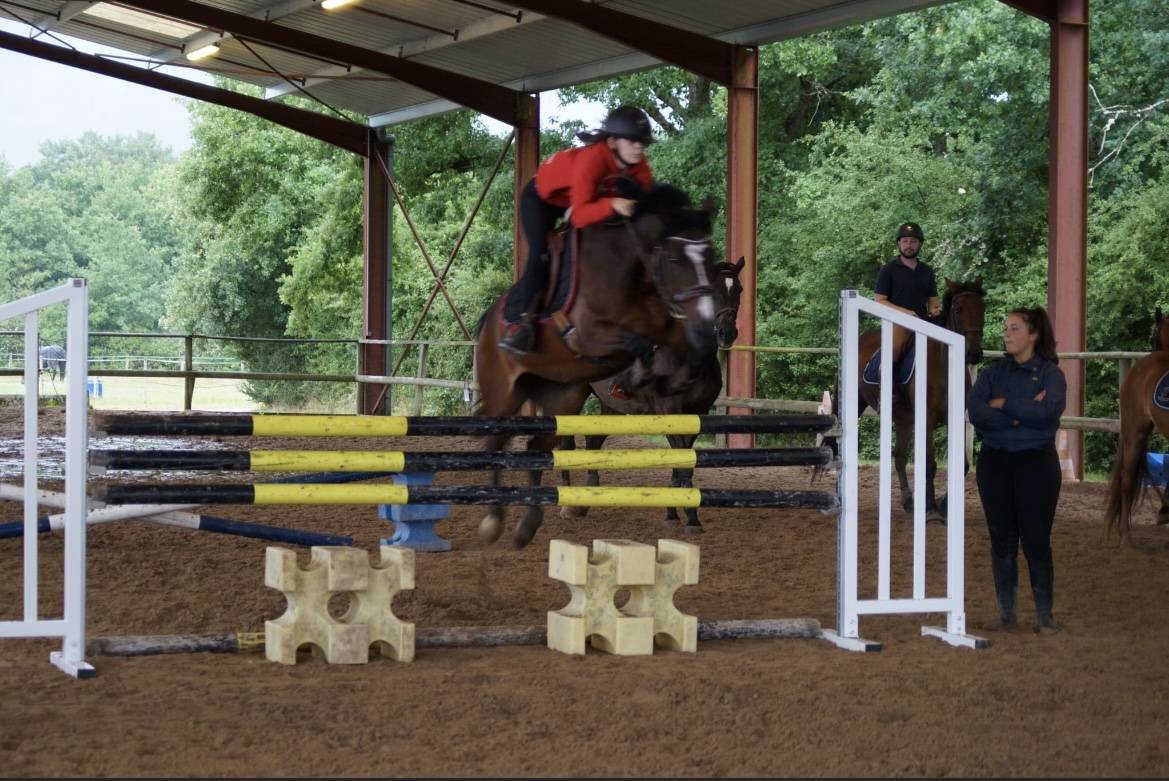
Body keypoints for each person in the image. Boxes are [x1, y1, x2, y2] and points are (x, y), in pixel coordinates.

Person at [497, 105, 655, 362]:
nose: (639, 147)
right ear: (613, 142)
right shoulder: (592, 159)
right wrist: (613, 205)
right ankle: (521, 324)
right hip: (542, 200)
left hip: (580, 201)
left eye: (643, 143)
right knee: (541, 255)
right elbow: (581, 216)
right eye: (634, 142)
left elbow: (649, 202)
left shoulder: (638, 165)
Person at [967, 306, 1066, 634]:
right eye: (1006, 328)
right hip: (995, 463)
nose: (1007, 334)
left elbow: (1048, 415)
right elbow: (977, 412)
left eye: (1014, 328)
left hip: (1036, 464)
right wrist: (1024, 412)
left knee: (1036, 540)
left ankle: (1044, 616)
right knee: (1001, 539)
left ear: (1033, 334)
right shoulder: (992, 373)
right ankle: (1006, 615)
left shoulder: (1052, 375)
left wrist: (1005, 404)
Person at [873, 222, 941, 364]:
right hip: (897, 323)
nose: (909, 245)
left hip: (924, 322)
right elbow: (879, 301)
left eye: (913, 242)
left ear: (920, 244)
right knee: (895, 351)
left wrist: (935, 311)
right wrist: (906, 313)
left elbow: (933, 301)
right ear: (899, 244)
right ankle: (884, 381)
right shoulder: (888, 270)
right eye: (905, 241)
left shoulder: (927, 271)